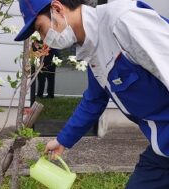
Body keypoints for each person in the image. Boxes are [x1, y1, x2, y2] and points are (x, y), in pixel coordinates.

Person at [14, 0, 169, 188]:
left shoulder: (123, 20)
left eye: (40, 28)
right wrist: (63, 140)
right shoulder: (93, 49)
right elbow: (94, 100)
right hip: (161, 147)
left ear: (57, 9)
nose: (44, 38)